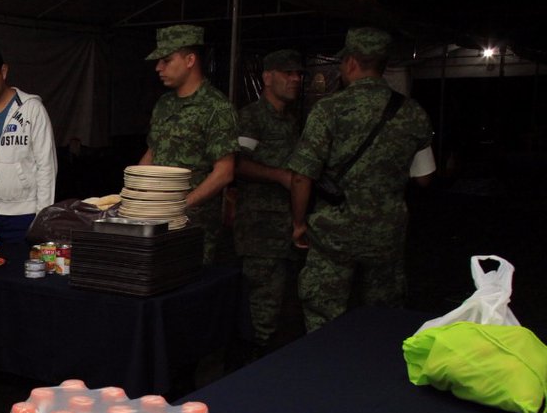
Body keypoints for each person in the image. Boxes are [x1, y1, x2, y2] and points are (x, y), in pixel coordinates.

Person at [288, 28, 435, 332]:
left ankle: (324, 371)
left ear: (351, 63)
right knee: (383, 316)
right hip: (386, 234)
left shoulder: (328, 109)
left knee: (323, 311)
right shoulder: (412, 112)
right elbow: (424, 178)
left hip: (334, 233)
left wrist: (299, 223)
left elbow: (303, 176)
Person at [139, 24, 238, 264]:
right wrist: (133, 195)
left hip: (193, 226)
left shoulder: (216, 108)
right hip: (155, 221)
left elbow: (224, 173)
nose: (158, 67)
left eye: (166, 60)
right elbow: (153, 152)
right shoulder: (164, 104)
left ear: (190, 60)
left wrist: (181, 205)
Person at [234, 49, 305, 355]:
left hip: (286, 227)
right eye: (287, 73)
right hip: (259, 230)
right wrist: (279, 176)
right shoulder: (252, 118)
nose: (295, 79)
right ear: (267, 77)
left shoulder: (291, 120)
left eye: (298, 74)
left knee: (281, 307)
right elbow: (236, 164)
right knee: (260, 307)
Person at [0, 41, 57, 245]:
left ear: (3, 71)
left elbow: (46, 167)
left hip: (24, 215)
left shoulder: (32, 109)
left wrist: (42, 219)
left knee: (21, 274)